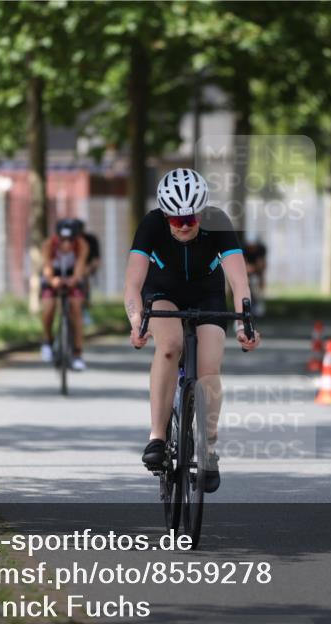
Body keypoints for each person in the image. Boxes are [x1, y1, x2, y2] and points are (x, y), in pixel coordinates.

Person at [125, 167, 261, 493]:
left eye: (191, 219)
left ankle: (209, 448)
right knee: (170, 345)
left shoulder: (218, 221)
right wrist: (135, 321)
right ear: (166, 214)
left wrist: (245, 322)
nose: (184, 226)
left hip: (207, 295)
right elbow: (132, 283)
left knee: (208, 368)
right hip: (162, 295)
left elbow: (239, 280)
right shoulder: (150, 224)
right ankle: (157, 437)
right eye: (176, 220)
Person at [40, 219, 89, 371]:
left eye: (70, 240)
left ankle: (77, 353)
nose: (66, 244)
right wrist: (52, 280)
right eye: (63, 240)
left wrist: (73, 280)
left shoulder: (82, 245)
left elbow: (80, 267)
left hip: (72, 276)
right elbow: (47, 266)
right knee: (48, 308)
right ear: (57, 237)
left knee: (76, 309)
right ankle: (48, 341)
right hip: (53, 276)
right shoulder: (49, 245)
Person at [243, 235, 268, 317]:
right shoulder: (244, 249)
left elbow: (262, 265)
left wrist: (258, 272)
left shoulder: (261, 249)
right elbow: (243, 265)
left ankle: (258, 303)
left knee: (258, 286)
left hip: (257, 268)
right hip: (247, 267)